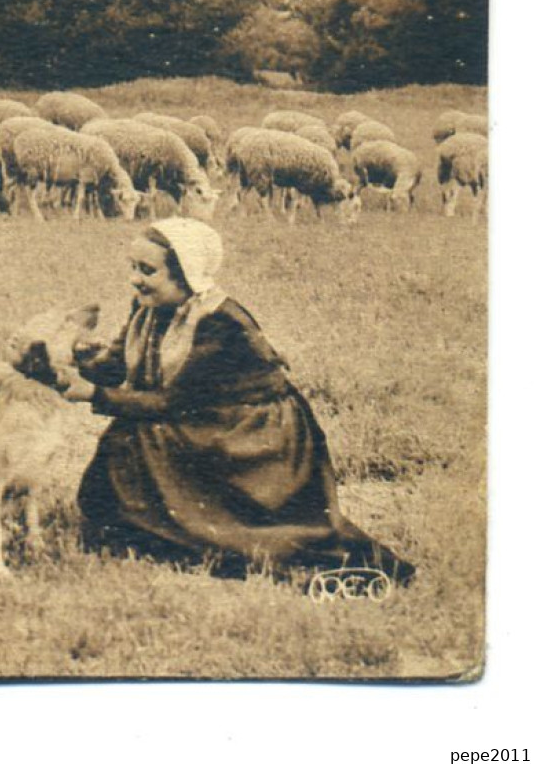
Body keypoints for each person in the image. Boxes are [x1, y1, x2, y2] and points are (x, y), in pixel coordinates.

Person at [62, 218, 414, 583]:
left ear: (185, 275)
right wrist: (71, 360)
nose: (135, 278)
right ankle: (151, 533)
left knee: (146, 437)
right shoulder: (147, 307)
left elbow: (171, 403)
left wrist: (93, 394)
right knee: (130, 437)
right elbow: (116, 365)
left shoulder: (221, 321)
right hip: (203, 419)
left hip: (253, 435)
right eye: (133, 267)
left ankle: (189, 535)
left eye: (147, 270)